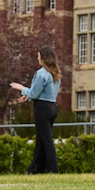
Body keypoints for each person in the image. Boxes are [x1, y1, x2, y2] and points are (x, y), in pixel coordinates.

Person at [10, 46, 61, 174]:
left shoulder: (41, 73)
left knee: (46, 139)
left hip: (42, 108)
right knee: (41, 138)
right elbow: (43, 93)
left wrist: (21, 88)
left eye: (38, 55)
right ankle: (36, 169)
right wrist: (28, 97)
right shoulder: (55, 73)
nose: (37, 58)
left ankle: (53, 169)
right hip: (52, 107)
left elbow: (34, 92)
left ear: (43, 58)